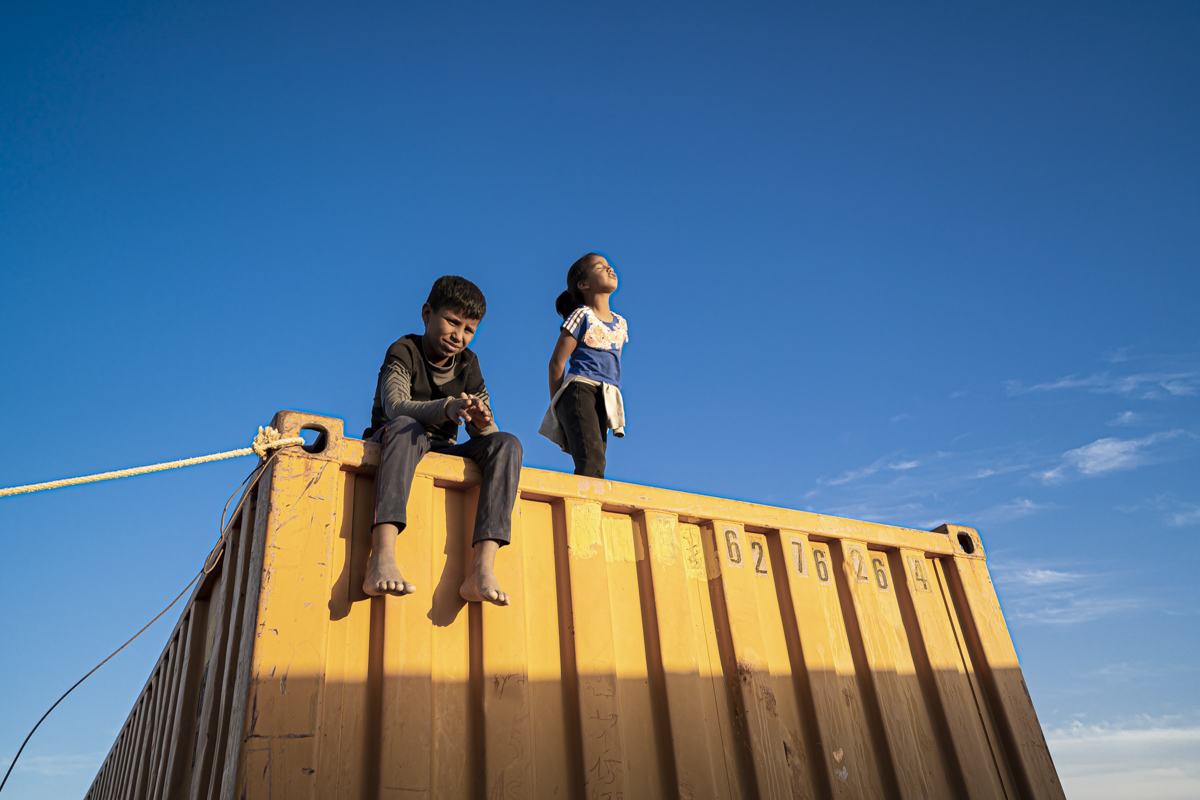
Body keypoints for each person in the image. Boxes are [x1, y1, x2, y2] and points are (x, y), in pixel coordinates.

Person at [361, 275, 521, 606]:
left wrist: (482, 422)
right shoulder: (404, 350)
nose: (459, 336)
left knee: (507, 444)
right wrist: (447, 407)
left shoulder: (469, 364)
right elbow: (395, 406)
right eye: (452, 321)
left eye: (469, 329)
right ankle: (382, 556)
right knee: (407, 426)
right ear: (427, 313)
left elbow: (487, 433)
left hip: (442, 449)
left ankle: (481, 569)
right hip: (395, 440)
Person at [539, 253, 628, 478]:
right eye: (600, 266)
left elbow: (613, 365)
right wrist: (557, 406)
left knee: (598, 459)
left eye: (609, 265)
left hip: (606, 394)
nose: (609, 269)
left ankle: (586, 495)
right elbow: (556, 363)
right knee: (591, 460)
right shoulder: (581, 316)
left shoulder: (621, 323)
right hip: (580, 389)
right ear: (583, 284)